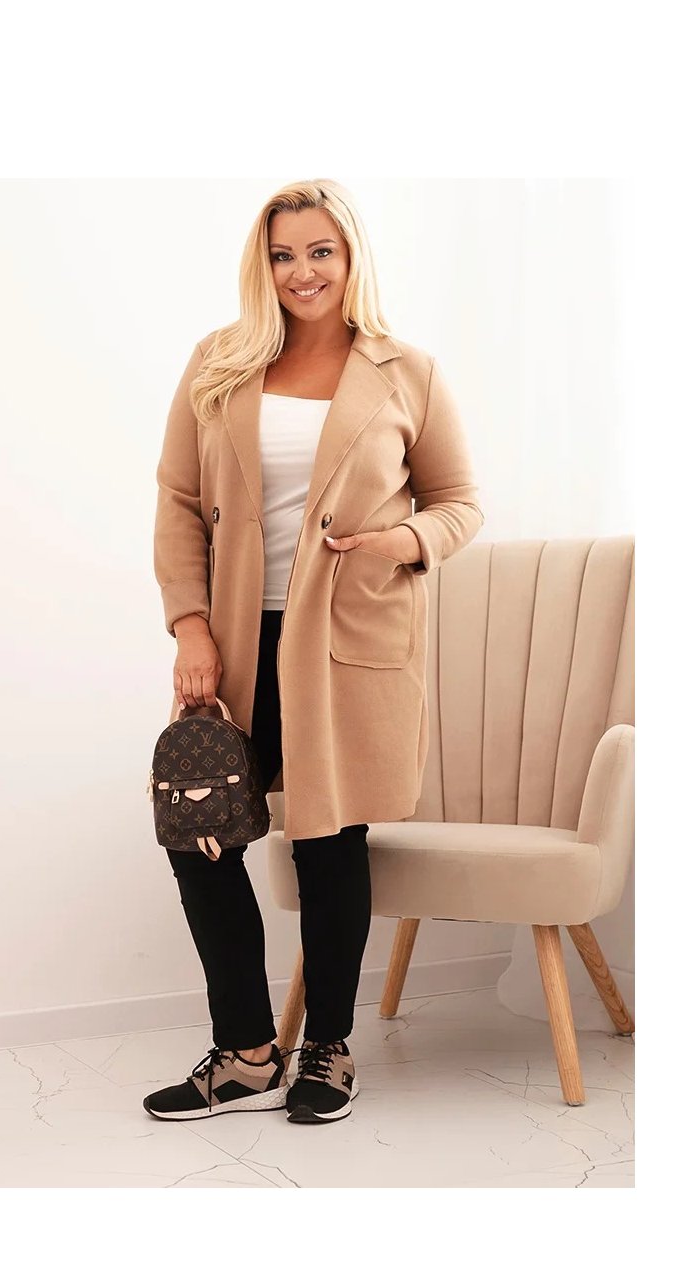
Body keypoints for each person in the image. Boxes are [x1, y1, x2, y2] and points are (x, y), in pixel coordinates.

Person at [146, 179, 485, 1125]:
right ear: (263, 265)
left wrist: (399, 542)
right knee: (201, 834)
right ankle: (248, 1052)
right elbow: (178, 501)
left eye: (320, 251)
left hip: (347, 640)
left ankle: (328, 1049)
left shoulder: (407, 371)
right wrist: (191, 626)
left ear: (351, 257)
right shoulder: (219, 361)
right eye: (283, 254)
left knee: (331, 843)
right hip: (235, 642)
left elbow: (459, 502)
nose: (302, 271)